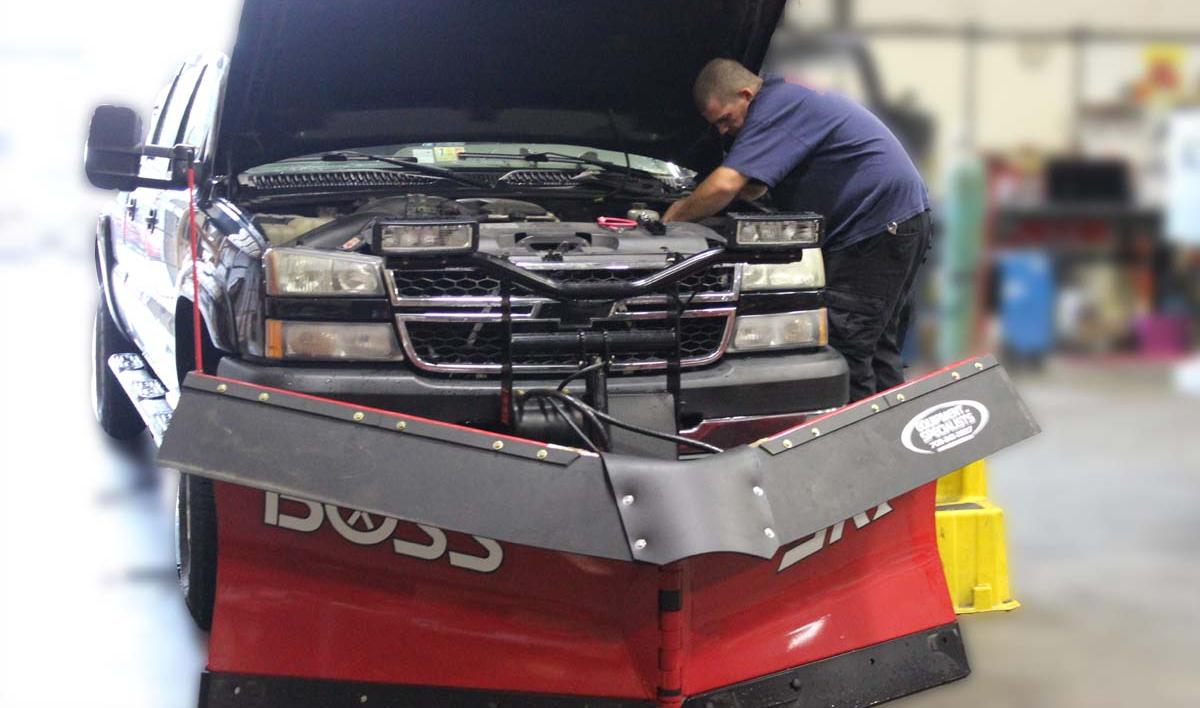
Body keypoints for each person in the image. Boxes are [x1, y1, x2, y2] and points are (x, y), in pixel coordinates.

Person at [663, 58, 932, 402]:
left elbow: (727, 184)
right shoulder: (787, 97)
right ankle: (894, 430)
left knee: (846, 348)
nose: (722, 131)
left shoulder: (774, 107)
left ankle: (854, 437)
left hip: (874, 229)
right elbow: (755, 188)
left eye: (725, 119)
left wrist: (674, 217)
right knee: (877, 346)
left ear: (745, 95)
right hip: (900, 221)